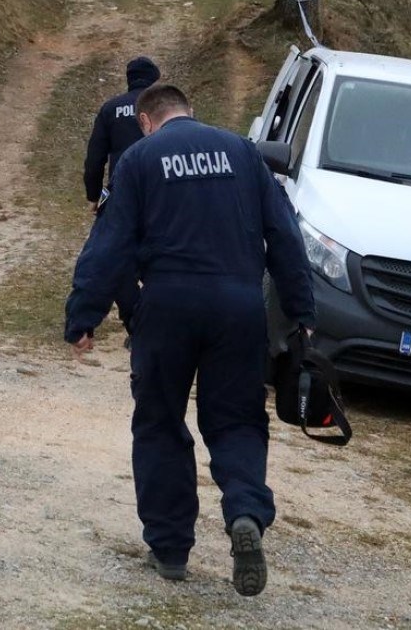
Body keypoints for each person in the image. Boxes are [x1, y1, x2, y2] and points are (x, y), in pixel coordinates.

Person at [63, 84, 315, 597]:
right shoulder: (243, 153)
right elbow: (285, 234)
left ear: (147, 121)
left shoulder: (139, 159)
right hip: (238, 308)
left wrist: (83, 315)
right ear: (189, 113)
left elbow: (109, 244)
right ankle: (244, 510)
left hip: (168, 307)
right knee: (237, 420)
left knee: (159, 422)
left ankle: (171, 548)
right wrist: (301, 312)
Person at [82, 56, 161, 333]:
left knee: (113, 254)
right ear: (154, 81)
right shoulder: (165, 111)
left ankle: (133, 314)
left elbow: (94, 159)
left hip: (115, 192)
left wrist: (94, 195)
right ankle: (155, 310)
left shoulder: (111, 109)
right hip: (161, 191)